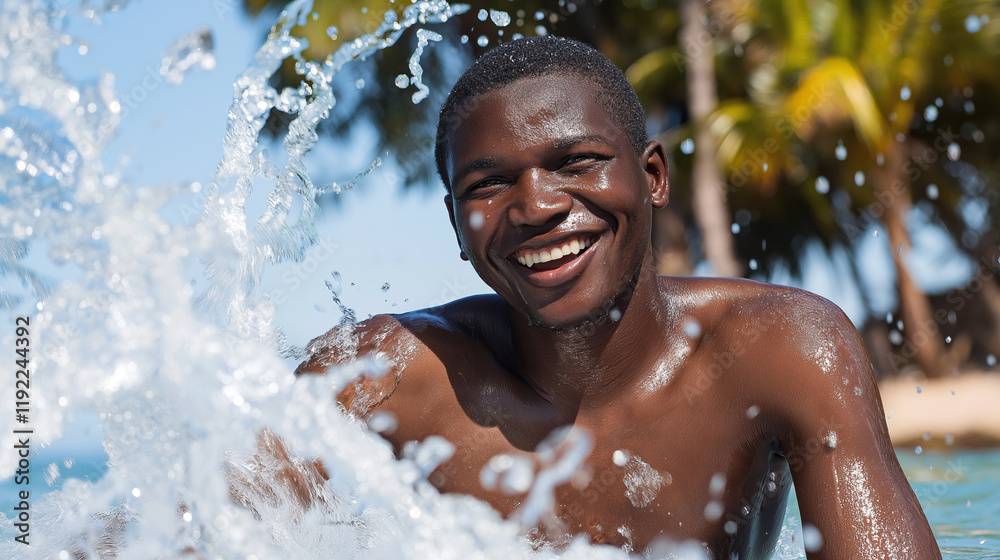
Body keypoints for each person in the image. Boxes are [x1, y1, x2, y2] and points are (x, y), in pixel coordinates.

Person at [295, 36, 941, 559]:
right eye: (488, 184)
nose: (536, 206)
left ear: (653, 176)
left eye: (576, 162)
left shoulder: (783, 349)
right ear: (457, 226)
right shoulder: (382, 377)